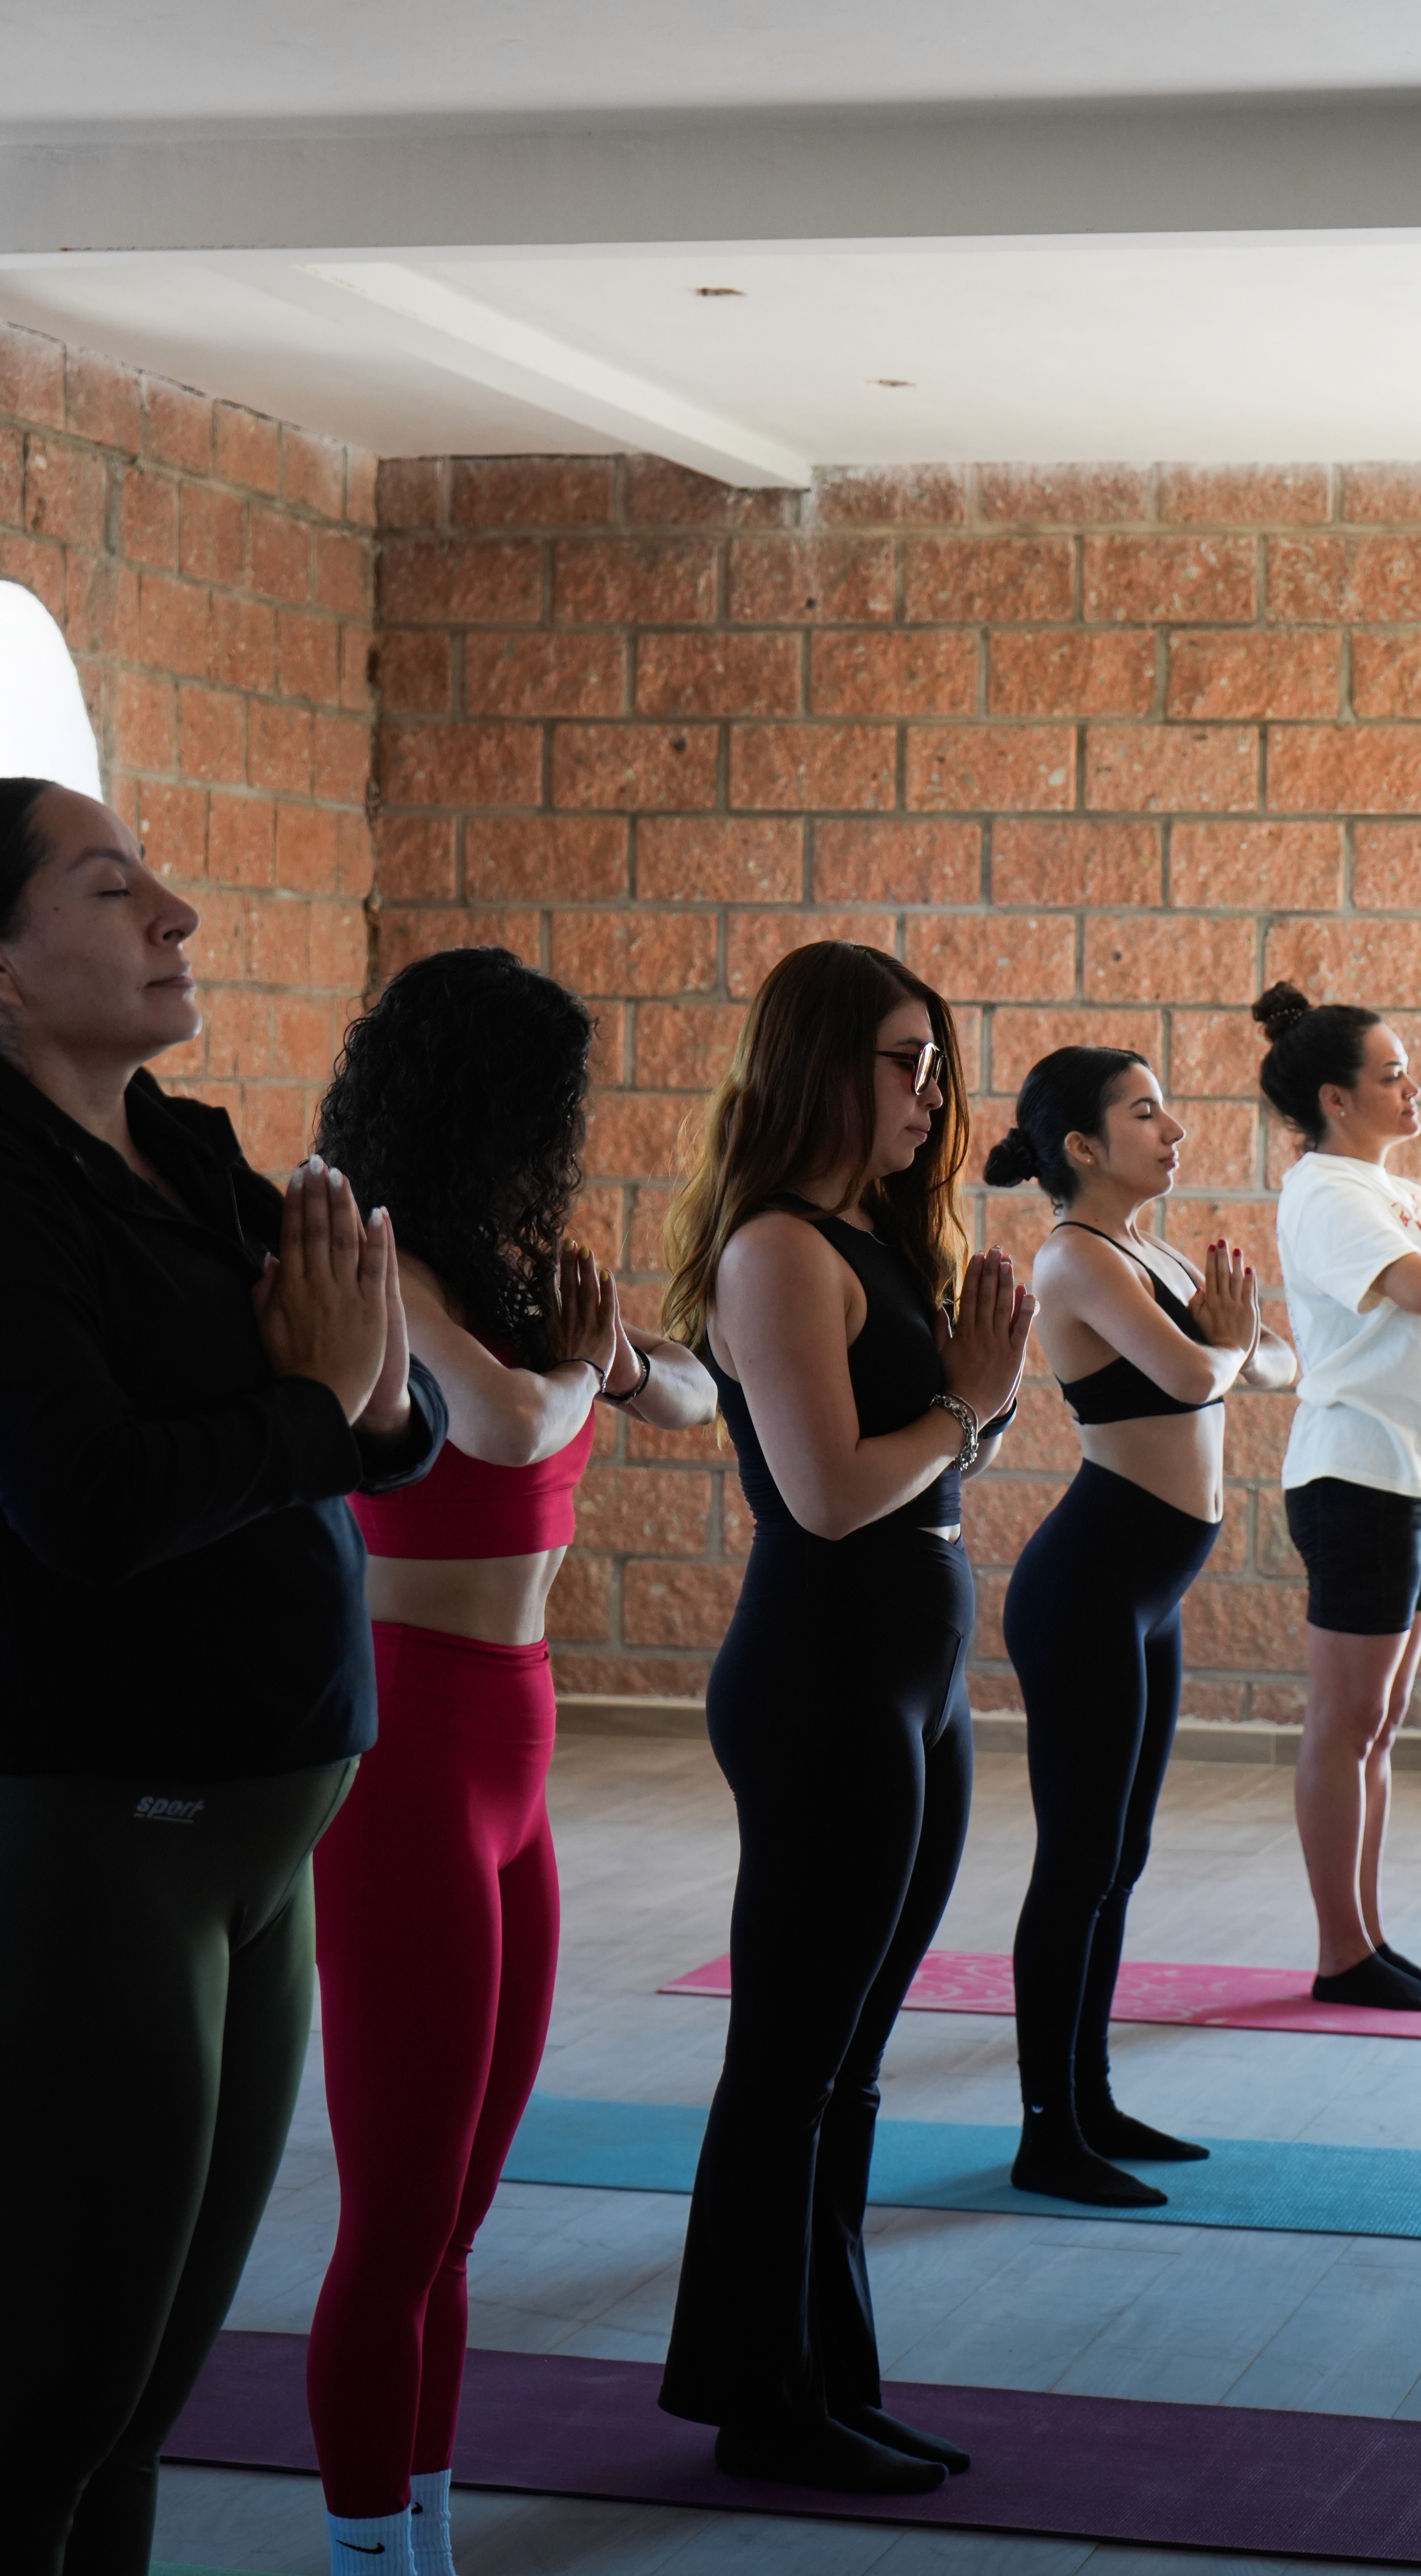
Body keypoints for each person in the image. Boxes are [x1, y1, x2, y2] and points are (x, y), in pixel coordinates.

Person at [0, 777, 445, 2576]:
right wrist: (319, 1407)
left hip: (263, 1830)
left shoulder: (178, 1151)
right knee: (52, 2398)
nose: (175, 915)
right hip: (105, 1827)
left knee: (144, 2393)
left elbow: (383, 1426)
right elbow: (88, 1508)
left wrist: (370, 1395)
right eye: (115, 892)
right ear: (6, 971)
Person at [303, 946, 715, 2576]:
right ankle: (360, 2556)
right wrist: (580, 1368)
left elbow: (688, 1386)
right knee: (395, 2224)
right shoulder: (374, 1256)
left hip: (516, 1743)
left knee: (460, 2223)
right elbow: (502, 1428)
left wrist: (618, 1359)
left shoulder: (512, 1269)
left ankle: (429, 2538)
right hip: (402, 1745)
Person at [657, 940, 1033, 2496]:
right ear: (819, 1064)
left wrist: (971, 1401)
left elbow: (933, 1463)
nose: (928, 1089)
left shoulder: (874, 1237)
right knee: (793, 2057)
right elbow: (825, 1498)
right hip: (821, 1682)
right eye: (901, 1057)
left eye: (936, 1060)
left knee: (853, 2059)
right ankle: (760, 2399)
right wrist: (964, 1402)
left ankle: (826, 2376)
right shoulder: (777, 1250)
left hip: (907, 1679)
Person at [984, 1048, 1297, 2208]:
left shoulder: (1154, 1247)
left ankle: (1092, 2095)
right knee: (1078, 1861)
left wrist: (1235, 1347)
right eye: (1145, 1111)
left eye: (1169, 1107)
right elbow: (1203, 1369)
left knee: (1124, 1856)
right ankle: (1042, 2130)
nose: (1174, 1128)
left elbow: (1270, 1355)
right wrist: (1232, 1347)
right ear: (1080, 1146)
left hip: (1147, 1592)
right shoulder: (1074, 1259)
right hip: (1090, 1586)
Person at [1252, 981, 1421, 2013]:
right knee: (1346, 1719)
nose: (1414, 1087)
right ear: (1337, 1098)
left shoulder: (1391, 1192)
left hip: (1414, 1476)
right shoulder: (1328, 1192)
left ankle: (1366, 1936)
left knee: (1383, 1720)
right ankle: (1338, 1952)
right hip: (1355, 1474)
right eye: (1392, 1074)